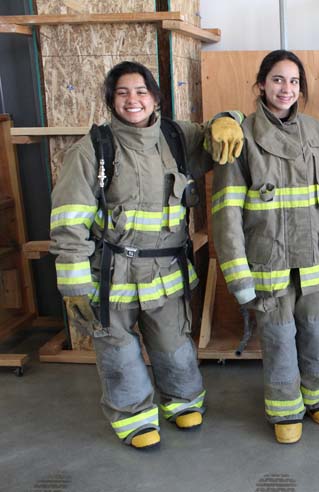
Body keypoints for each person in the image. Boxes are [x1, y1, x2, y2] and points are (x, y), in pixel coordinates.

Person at [49, 61, 244, 450]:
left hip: (166, 271)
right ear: (111, 101)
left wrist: (228, 119)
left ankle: (183, 401)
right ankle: (134, 418)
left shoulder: (177, 136)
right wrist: (73, 285)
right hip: (111, 274)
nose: (132, 100)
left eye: (141, 91)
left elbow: (218, 131)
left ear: (155, 97)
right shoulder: (92, 149)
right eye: (122, 93)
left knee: (174, 344)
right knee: (118, 351)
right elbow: (68, 220)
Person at [211, 50, 319, 444]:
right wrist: (238, 277)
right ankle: (285, 409)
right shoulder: (242, 134)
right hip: (270, 262)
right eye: (277, 80)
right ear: (260, 85)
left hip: (317, 261)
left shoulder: (317, 131)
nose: (287, 89)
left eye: (294, 82)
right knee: (280, 338)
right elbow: (227, 212)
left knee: (318, 333)